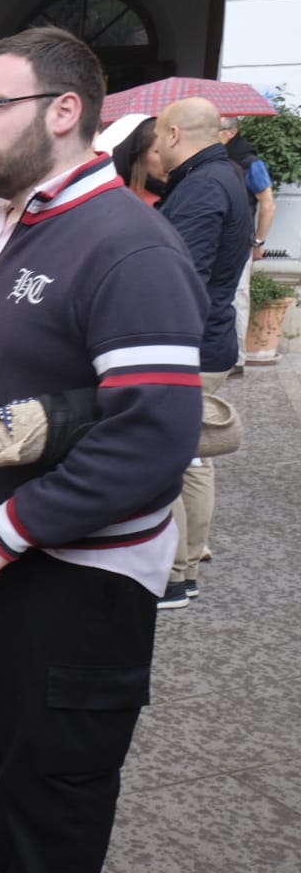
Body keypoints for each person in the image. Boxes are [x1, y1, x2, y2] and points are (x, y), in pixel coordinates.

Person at [0, 27, 206, 873]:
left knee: (52, 803)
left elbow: (152, 437)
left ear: (65, 111)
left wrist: (11, 527)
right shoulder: (4, 225)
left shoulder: (129, 245)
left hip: (76, 578)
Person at [153, 98, 254, 610]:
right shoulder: (220, 176)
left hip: (188, 345)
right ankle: (185, 570)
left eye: (156, 138)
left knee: (166, 459)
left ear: (173, 135)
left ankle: (170, 575)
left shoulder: (202, 186)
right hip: (208, 341)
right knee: (193, 458)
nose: (154, 148)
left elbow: (179, 279)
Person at [219, 116, 276, 372]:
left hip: (240, 239)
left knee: (238, 296)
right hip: (218, 236)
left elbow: (267, 204)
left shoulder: (251, 163)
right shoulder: (215, 158)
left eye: (216, 129)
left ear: (231, 132)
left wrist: (259, 241)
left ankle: (237, 359)